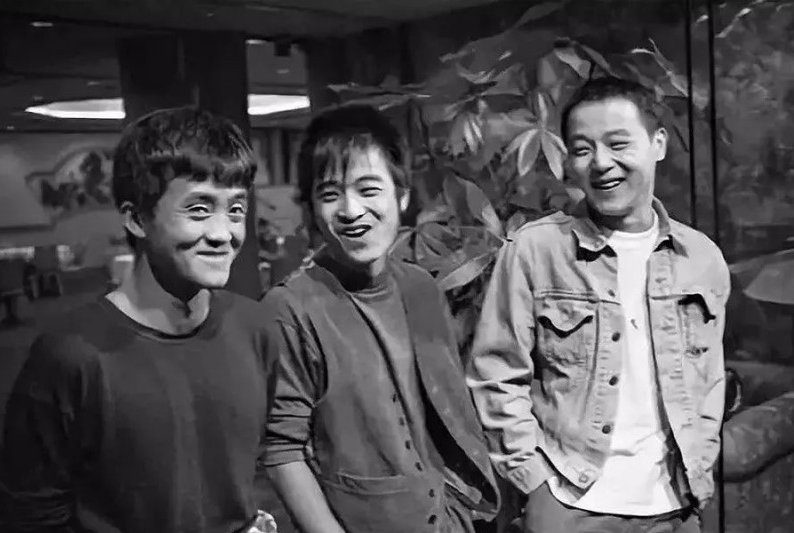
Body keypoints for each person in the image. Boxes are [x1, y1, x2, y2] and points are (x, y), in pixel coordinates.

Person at [0, 107, 278, 533]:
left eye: (235, 209)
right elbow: (31, 514)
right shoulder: (71, 356)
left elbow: (251, 466)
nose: (224, 233)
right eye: (199, 209)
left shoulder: (256, 328)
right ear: (136, 218)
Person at [467, 77, 730, 533]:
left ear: (658, 144)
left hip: (674, 506)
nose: (601, 163)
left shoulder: (701, 258)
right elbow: (496, 372)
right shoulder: (536, 250)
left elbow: (710, 380)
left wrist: (701, 462)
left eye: (618, 144)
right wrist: (534, 484)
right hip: (568, 502)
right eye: (582, 149)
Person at [258, 104, 499, 533]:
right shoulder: (290, 307)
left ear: (401, 195)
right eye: (329, 195)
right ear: (312, 209)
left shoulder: (420, 287)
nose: (351, 210)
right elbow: (282, 450)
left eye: (368, 189)